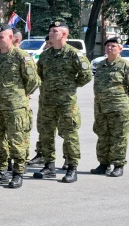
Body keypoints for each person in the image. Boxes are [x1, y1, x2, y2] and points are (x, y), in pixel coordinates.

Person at [33, 20, 92, 183]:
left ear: (64, 34)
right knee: (46, 134)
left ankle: (72, 167)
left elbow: (86, 75)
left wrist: (70, 86)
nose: (51, 33)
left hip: (67, 102)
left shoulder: (74, 54)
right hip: (48, 101)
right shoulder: (45, 55)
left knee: (70, 134)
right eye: (50, 31)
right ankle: (49, 166)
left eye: (55, 31)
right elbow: (40, 75)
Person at [0, 26, 38, 188]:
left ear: (11, 38)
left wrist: (19, 95)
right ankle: (1, 171)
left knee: (17, 141)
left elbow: (33, 81)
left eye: (2, 37)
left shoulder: (21, 56)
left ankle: (18, 172)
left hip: (15, 108)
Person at [91, 37, 129, 177]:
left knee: (119, 137)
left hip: (119, 108)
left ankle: (118, 165)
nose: (109, 48)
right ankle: (103, 164)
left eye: (113, 46)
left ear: (120, 48)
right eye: (107, 45)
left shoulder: (126, 65)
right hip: (101, 108)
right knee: (102, 135)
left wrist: (123, 101)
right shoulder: (100, 65)